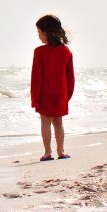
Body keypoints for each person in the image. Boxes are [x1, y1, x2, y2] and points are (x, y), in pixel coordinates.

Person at [31, 14, 75, 161]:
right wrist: (67, 95)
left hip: (45, 94)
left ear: (46, 32)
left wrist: (35, 97)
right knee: (58, 123)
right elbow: (70, 78)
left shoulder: (39, 52)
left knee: (45, 122)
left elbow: (36, 77)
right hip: (61, 94)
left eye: (39, 32)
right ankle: (61, 151)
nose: (38, 36)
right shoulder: (66, 51)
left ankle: (47, 152)